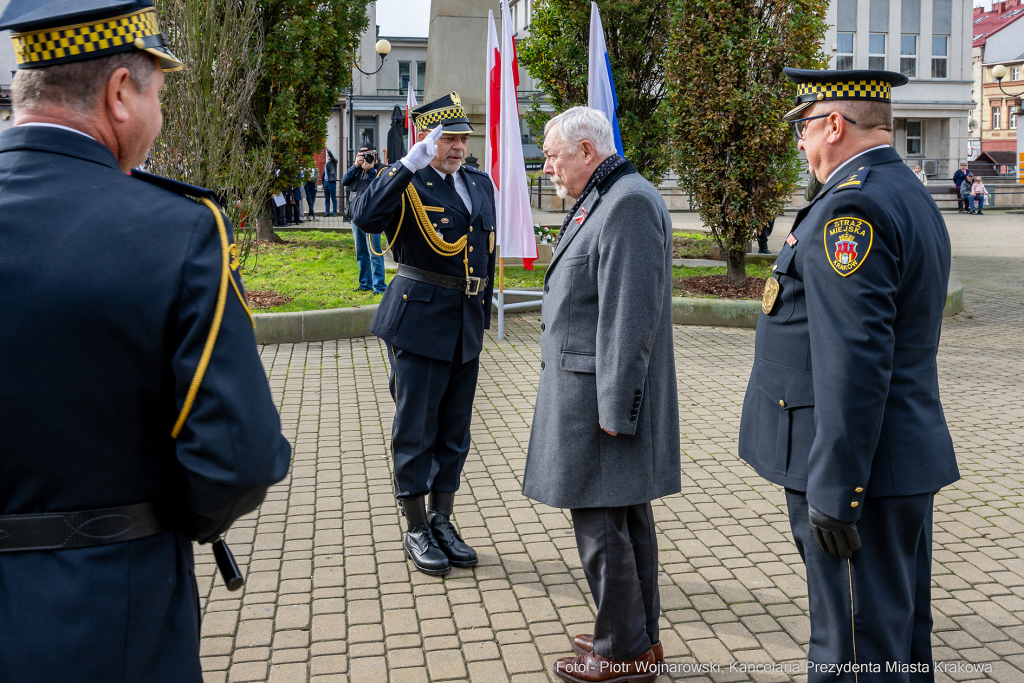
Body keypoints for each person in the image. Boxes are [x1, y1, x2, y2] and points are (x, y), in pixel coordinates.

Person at [0, 2, 292, 681]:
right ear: (120, 94)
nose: (158, 112)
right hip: (112, 608)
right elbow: (236, 458)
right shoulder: (179, 234)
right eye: (158, 92)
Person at [739, 68, 958, 682]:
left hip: (859, 472)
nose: (803, 146)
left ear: (834, 125)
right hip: (893, 459)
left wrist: (837, 494)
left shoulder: (850, 209)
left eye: (805, 130)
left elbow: (853, 361)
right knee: (896, 638)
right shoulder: (903, 188)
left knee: (854, 650)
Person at [521, 107, 680, 683]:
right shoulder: (608, 194)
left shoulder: (628, 202)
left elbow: (629, 318)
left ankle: (622, 652)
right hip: (590, 392)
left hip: (602, 401)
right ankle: (633, 635)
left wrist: (617, 409)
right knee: (619, 521)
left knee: (604, 528)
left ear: (586, 152)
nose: (548, 168)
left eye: (554, 156)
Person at [353, 92, 496, 576]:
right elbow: (365, 216)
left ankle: (442, 519)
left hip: (464, 319)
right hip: (418, 319)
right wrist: (406, 164)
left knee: (455, 430)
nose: (457, 147)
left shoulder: (478, 182)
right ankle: (415, 525)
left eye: (462, 138)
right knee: (417, 427)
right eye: (447, 138)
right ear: (428, 139)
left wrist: (485, 312)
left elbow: (485, 252)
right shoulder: (408, 184)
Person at [343, 144, 387, 293]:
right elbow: (344, 181)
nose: (365, 157)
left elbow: (381, 186)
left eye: (367, 154)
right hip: (355, 216)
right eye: (361, 154)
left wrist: (370, 170)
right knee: (361, 253)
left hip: (371, 217)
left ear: (374, 154)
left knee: (374, 252)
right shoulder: (356, 169)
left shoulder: (381, 168)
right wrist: (355, 166)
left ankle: (380, 286)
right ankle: (365, 284)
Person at [323, 149, 339, 216]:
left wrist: (328, 150)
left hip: (331, 182)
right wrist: (322, 183)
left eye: (329, 155)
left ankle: (334, 212)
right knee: (326, 198)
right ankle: (327, 212)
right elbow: (323, 174)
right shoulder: (325, 164)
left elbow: (333, 157)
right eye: (327, 155)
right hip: (325, 182)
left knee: (333, 198)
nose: (328, 156)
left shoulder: (333, 162)